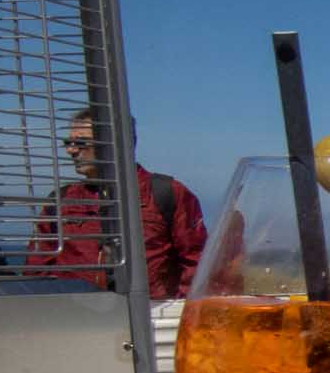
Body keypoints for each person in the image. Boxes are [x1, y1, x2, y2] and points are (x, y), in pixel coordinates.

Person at [29, 107, 206, 298]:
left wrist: (178, 313)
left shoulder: (166, 193)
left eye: (81, 143)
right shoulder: (61, 201)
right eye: (68, 143)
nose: (71, 150)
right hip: (77, 319)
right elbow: (37, 268)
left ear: (115, 143)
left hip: (149, 316)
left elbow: (198, 260)